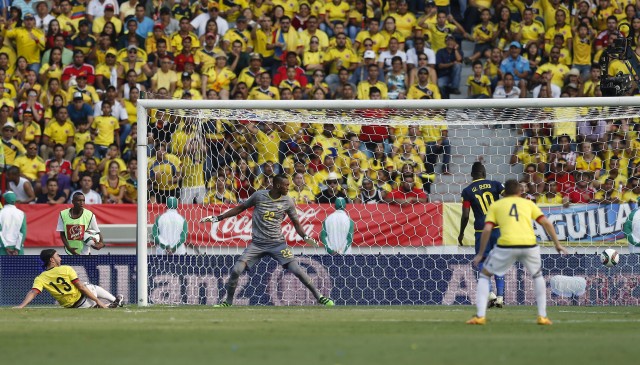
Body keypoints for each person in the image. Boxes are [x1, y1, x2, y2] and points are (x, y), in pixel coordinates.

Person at [200, 174, 335, 307]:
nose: (289, 187)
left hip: (278, 244)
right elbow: (240, 208)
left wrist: (305, 237)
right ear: (277, 185)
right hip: (257, 244)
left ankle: (320, 297)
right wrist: (219, 217)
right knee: (236, 270)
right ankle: (228, 302)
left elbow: (296, 223)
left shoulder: (288, 201)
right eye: (286, 185)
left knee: (297, 270)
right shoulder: (259, 196)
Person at [467, 179, 568, 325]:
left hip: (506, 245)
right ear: (520, 192)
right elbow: (546, 222)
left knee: (485, 275)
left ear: (504, 193)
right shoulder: (528, 204)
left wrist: (481, 253)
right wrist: (557, 244)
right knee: (538, 276)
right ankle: (542, 317)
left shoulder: (496, 205)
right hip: (529, 245)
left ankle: (480, 316)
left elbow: (487, 229)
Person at [458, 162, 505, 307]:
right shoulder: (496, 185)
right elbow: (509, 196)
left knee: (483, 262)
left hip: (481, 231)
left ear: (472, 175)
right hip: (497, 228)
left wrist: (461, 233)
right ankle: (500, 297)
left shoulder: (467, 191)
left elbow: (466, 215)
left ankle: (490, 294)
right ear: (484, 173)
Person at [15, 249, 124, 309]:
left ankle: (108, 305)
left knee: (86, 288)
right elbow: (80, 287)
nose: (60, 258)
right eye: (58, 256)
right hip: (84, 300)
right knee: (86, 285)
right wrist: (98, 301)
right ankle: (114, 301)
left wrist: (21, 306)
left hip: (73, 307)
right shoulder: (66, 269)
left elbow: (33, 292)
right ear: (52, 260)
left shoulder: (41, 278)